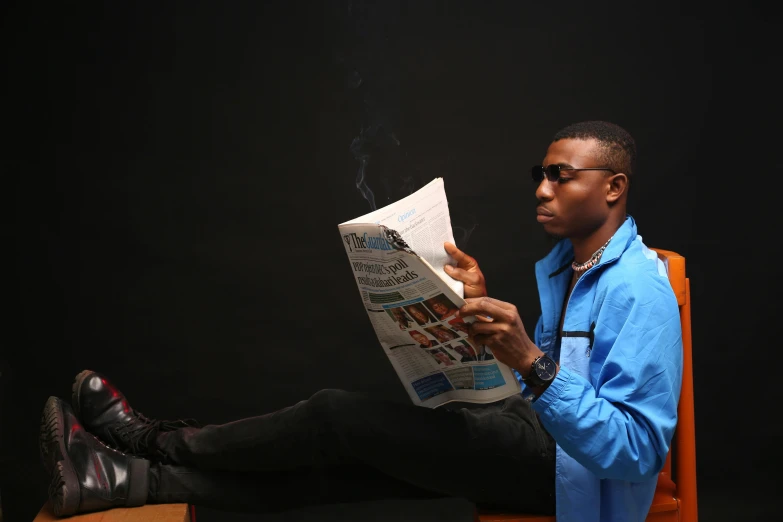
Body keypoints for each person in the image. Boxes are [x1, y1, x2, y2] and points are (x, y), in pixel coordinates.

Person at [39, 121, 683, 522]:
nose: (541, 190)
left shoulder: (639, 290)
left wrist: (529, 362)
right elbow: (554, 390)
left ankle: (150, 441)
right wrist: (479, 323)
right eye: (540, 176)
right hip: (536, 439)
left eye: (561, 176)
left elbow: (635, 453)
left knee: (335, 415)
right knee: (342, 467)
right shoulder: (571, 269)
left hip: (571, 483)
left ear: (612, 187)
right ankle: (122, 480)